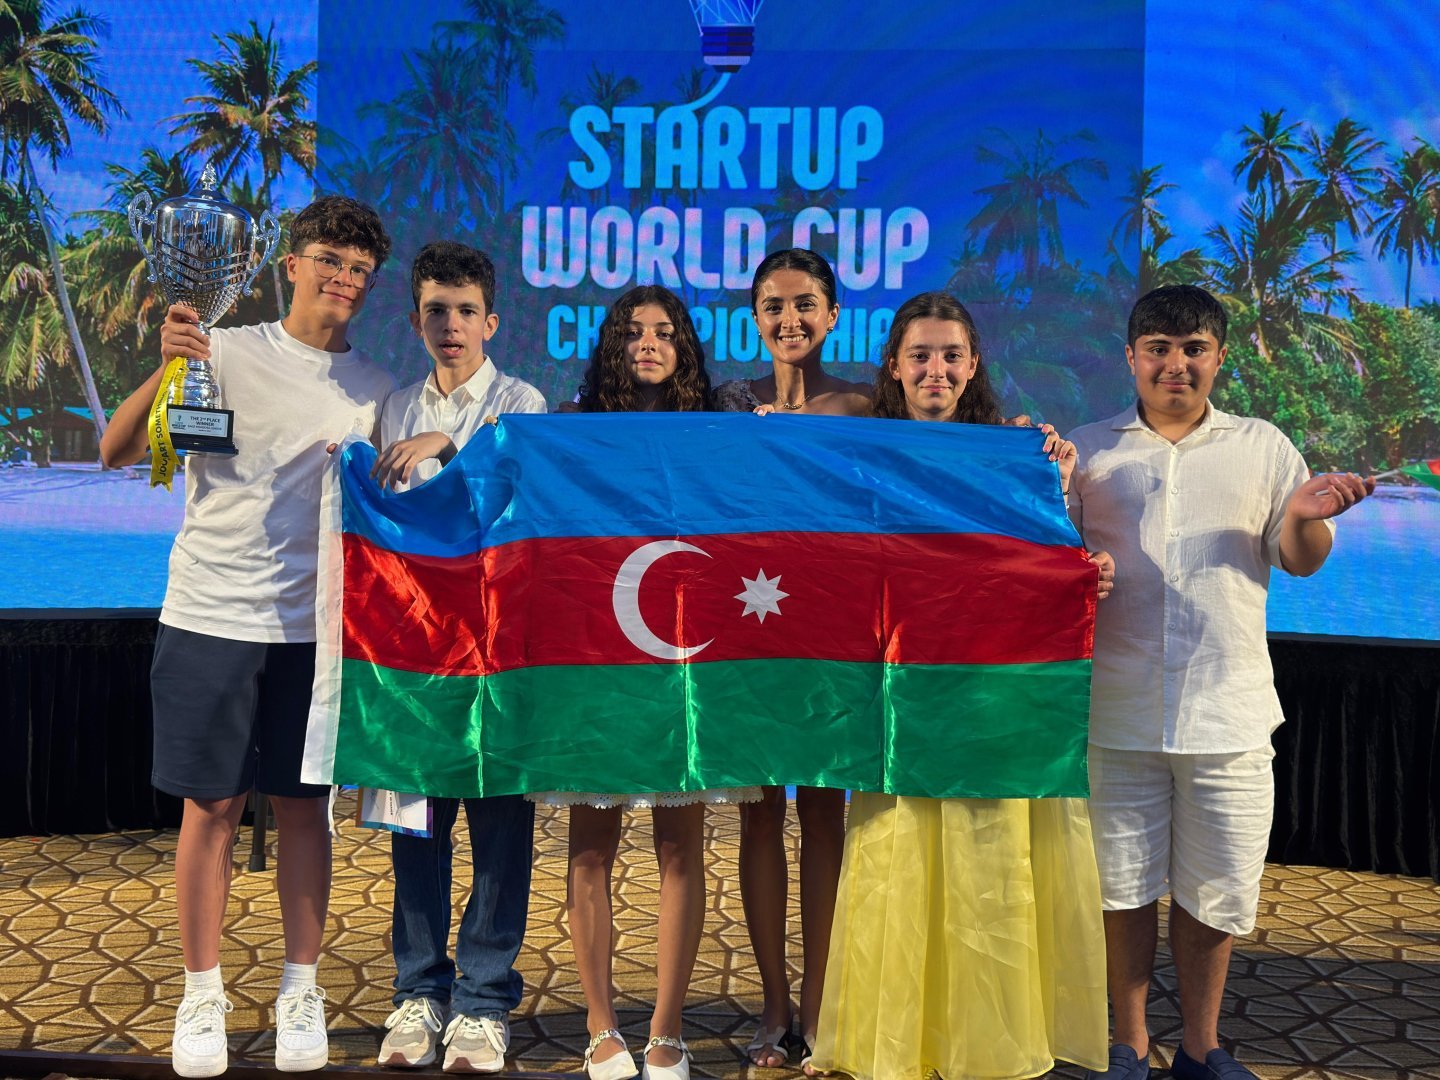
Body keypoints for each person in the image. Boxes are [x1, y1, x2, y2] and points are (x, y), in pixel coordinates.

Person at [98, 196, 397, 1077]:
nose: (343, 278)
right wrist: (169, 366)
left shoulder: (377, 388)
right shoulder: (221, 348)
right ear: (291, 265)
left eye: (359, 269)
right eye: (329, 260)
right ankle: (201, 994)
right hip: (209, 616)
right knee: (212, 809)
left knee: (306, 811)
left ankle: (301, 989)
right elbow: (118, 450)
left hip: (316, 632)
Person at [1068, 285, 1373, 1080]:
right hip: (1114, 709)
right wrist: (1077, 570)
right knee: (1121, 889)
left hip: (1228, 711)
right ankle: (1130, 1045)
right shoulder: (1087, 453)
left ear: (1219, 357)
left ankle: (1201, 1048)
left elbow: (1300, 560)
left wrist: (1303, 516)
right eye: (1159, 349)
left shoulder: (1263, 447)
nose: (1176, 364)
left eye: (1194, 349)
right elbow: (1048, 567)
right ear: (1131, 357)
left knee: (1217, 890)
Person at [812, 290, 1113, 1080]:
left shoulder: (1016, 454)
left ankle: (987, 1044)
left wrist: (1080, 561)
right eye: (920, 356)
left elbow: (1048, 557)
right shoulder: (861, 456)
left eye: (951, 356)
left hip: (987, 704)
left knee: (986, 875)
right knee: (900, 861)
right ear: (894, 366)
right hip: (899, 706)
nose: (936, 370)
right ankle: (897, 1043)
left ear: (974, 365)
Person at [537, 284, 762, 1080]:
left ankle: (666, 1029)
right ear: (612, 346)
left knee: (679, 846)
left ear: (685, 347)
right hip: (599, 662)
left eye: (665, 332)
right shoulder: (572, 430)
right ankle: (600, 1025)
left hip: (685, 663)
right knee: (590, 844)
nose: (649, 344)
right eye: (633, 332)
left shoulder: (720, 428)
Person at [368, 241, 546, 1073]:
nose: (451, 325)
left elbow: (511, 498)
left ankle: (483, 999)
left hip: (500, 652)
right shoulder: (392, 406)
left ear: (491, 322)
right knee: (417, 825)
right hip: (413, 654)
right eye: (436, 311)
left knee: (499, 828)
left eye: (466, 311)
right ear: (416, 321)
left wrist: (446, 445)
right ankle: (418, 990)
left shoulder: (521, 401)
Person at [711, 248, 868, 1073]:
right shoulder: (727, 404)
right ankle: (775, 1005)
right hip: (751, 630)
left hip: (833, 633)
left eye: (805, 304)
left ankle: (822, 1002)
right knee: (760, 813)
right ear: (755, 319)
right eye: (773, 306)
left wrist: (1026, 441)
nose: (790, 319)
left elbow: (946, 452)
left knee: (826, 816)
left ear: (833, 314)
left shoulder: (868, 406)